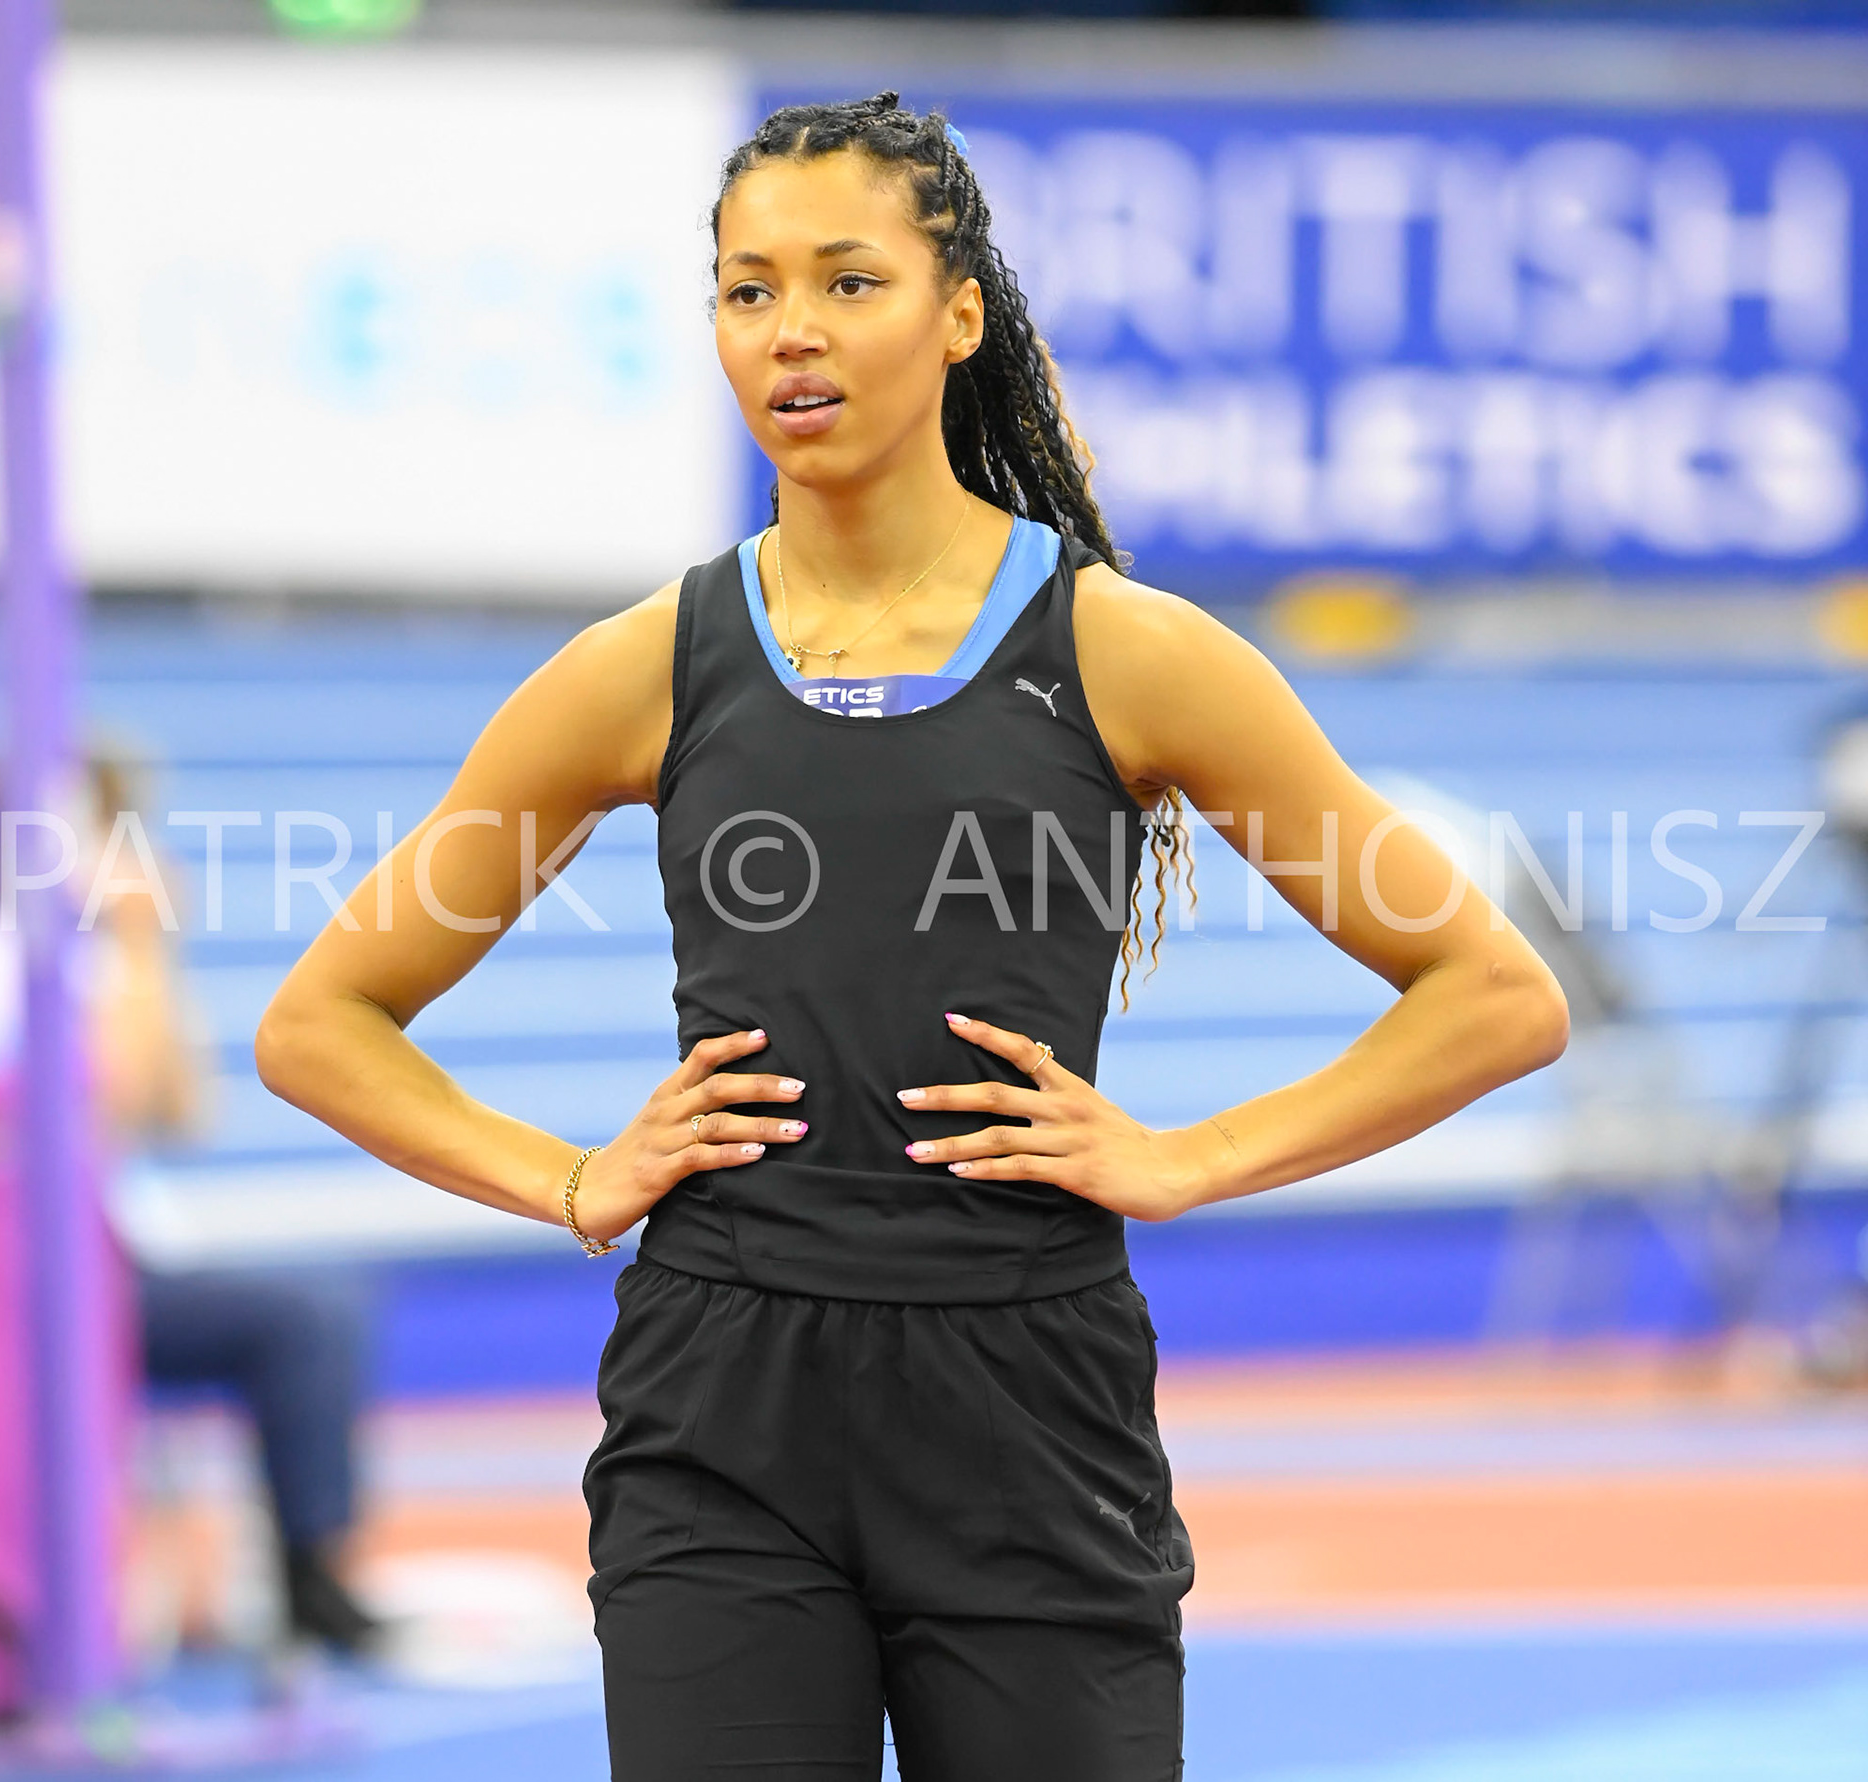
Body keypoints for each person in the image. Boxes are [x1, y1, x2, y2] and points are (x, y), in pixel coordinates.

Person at [255, 94, 1569, 1779]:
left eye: (847, 280)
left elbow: (1493, 994)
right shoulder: (646, 664)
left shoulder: (1135, 654)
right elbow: (321, 1020)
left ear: (959, 312)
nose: (791, 330)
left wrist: (1194, 1154)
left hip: (1029, 1407)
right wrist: (569, 1174)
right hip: (720, 1413)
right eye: (747, 290)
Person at [0, 756, 382, 1657]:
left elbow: (182, 1109)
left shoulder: (88, 951)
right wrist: (139, 940)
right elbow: (114, 1097)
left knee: (314, 1313)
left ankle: (311, 1574)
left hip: (108, 1262)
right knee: (299, 1317)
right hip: (4, 1280)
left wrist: (141, 951)